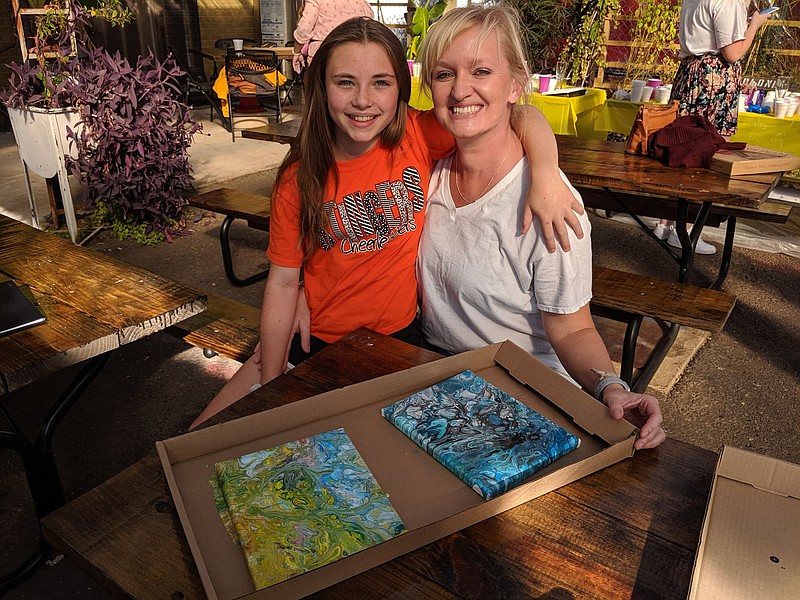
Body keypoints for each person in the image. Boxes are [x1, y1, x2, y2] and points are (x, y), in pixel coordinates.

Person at [190, 16, 582, 429]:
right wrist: (273, 383)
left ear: (401, 91)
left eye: (381, 82)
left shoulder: (417, 134)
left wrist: (545, 172)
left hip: (400, 340)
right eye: (345, 82)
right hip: (318, 340)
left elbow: (519, 114)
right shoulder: (298, 179)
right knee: (220, 439)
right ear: (321, 89)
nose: (363, 100)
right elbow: (283, 282)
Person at [416, 5, 665, 450]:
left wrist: (611, 387)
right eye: (443, 73)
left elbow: (571, 329)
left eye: (481, 70)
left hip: (519, 395)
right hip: (434, 380)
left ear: (515, 84)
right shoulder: (428, 170)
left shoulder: (549, 203)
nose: (460, 90)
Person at [653, 1, 775, 254]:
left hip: (690, 72)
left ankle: (665, 222)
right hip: (713, 78)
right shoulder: (727, 2)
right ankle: (684, 231)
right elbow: (732, 53)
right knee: (702, 152)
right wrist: (755, 24)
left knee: (682, 146)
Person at [291, 0, 374, 73]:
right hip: (356, 55)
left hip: (323, 55)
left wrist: (297, 52)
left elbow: (304, 29)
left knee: (322, 89)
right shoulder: (362, 2)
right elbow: (369, 28)